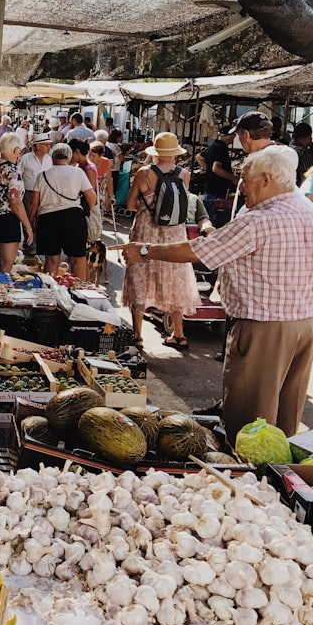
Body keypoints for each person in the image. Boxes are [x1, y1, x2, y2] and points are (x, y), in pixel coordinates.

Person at [115, 146, 313, 443]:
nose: (241, 186)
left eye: (246, 179)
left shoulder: (259, 219)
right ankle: (278, 479)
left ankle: (246, 480)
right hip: (303, 324)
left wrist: (145, 250)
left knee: (249, 422)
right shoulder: (305, 209)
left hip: (263, 329)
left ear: (267, 179)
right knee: (285, 420)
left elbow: (200, 251)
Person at [120, 132, 200, 352]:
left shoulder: (144, 173)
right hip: (174, 234)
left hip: (146, 231)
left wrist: (148, 207)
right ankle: (179, 334)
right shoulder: (184, 174)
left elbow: (129, 204)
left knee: (140, 278)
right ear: (175, 153)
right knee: (173, 278)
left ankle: (137, 335)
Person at [28, 143, 96, 279]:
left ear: (52, 157)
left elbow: (34, 203)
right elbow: (92, 198)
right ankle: (79, 292)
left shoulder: (43, 175)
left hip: (48, 219)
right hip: (73, 218)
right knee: (77, 259)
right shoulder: (78, 173)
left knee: (52, 260)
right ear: (69, 157)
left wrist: (30, 223)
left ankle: (51, 292)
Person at [0, 132, 35, 272]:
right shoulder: (12, 170)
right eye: (19, 151)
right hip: (7, 221)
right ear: (16, 150)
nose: (19, 155)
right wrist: (28, 227)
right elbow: (15, 202)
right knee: (5, 264)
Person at [195, 124, 236, 226]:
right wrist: (233, 178)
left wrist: (207, 169)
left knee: (207, 218)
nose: (234, 138)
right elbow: (216, 168)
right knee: (213, 221)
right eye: (233, 135)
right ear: (229, 136)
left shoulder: (213, 145)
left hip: (210, 188)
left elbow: (199, 157)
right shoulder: (222, 148)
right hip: (217, 190)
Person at [18, 131, 53, 235]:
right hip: (29, 192)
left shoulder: (50, 159)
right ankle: (29, 243)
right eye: (46, 145)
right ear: (38, 146)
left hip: (45, 193)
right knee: (29, 217)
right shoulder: (26, 158)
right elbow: (19, 173)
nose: (48, 147)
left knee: (42, 217)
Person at [70, 139, 102, 243]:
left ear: (77, 152)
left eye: (71, 153)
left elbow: (89, 193)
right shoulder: (80, 167)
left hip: (87, 208)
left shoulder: (88, 169)